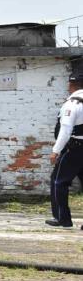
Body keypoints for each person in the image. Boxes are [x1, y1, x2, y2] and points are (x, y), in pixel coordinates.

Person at [47, 76, 83, 229]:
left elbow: (66, 130)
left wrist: (56, 151)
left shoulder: (72, 104)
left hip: (74, 149)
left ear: (71, 85)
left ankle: (63, 219)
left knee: (58, 182)